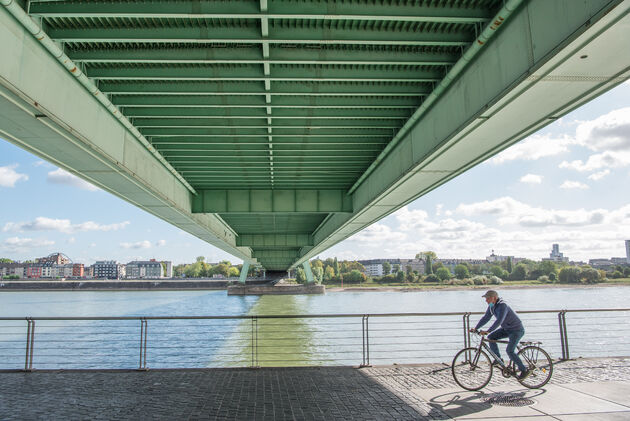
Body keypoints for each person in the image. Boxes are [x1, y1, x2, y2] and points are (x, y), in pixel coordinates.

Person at [470, 290, 530, 380]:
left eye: (488, 298)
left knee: (510, 351)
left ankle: (524, 370)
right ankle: (498, 359)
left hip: (516, 330)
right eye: (486, 298)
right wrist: (476, 328)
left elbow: (499, 321)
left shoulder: (503, 305)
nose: (486, 300)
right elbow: (486, 317)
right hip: (506, 329)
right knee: (491, 337)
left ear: (494, 297)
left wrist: (488, 330)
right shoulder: (491, 306)